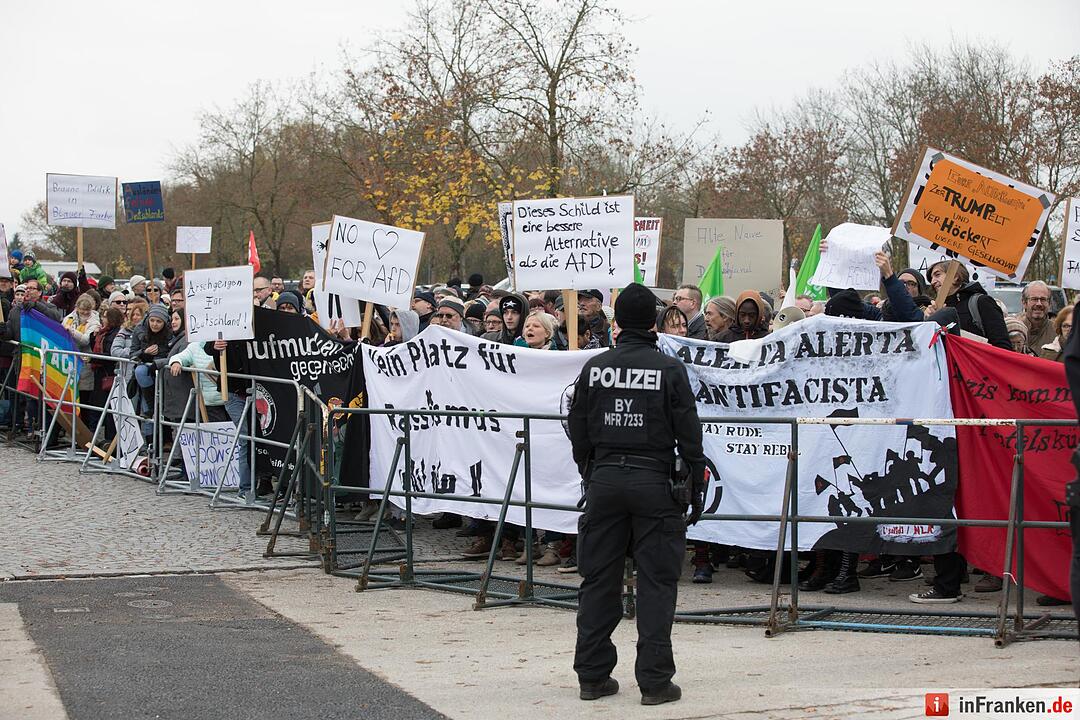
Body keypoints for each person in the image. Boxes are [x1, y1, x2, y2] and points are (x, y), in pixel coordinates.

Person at [568, 282, 705, 706]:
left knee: (598, 581)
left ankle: (592, 676)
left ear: (616, 323)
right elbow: (690, 435)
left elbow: (577, 426)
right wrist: (694, 484)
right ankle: (655, 682)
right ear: (653, 323)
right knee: (657, 583)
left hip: (606, 481)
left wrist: (591, 470)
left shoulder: (595, 367)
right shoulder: (669, 369)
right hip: (654, 484)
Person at [926, 260, 1010, 350]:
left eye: (937, 275)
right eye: (931, 278)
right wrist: (931, 320)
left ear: (955, 277)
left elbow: (1003, 346)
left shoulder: (981, 302)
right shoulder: (934, 309)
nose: (932, 282)